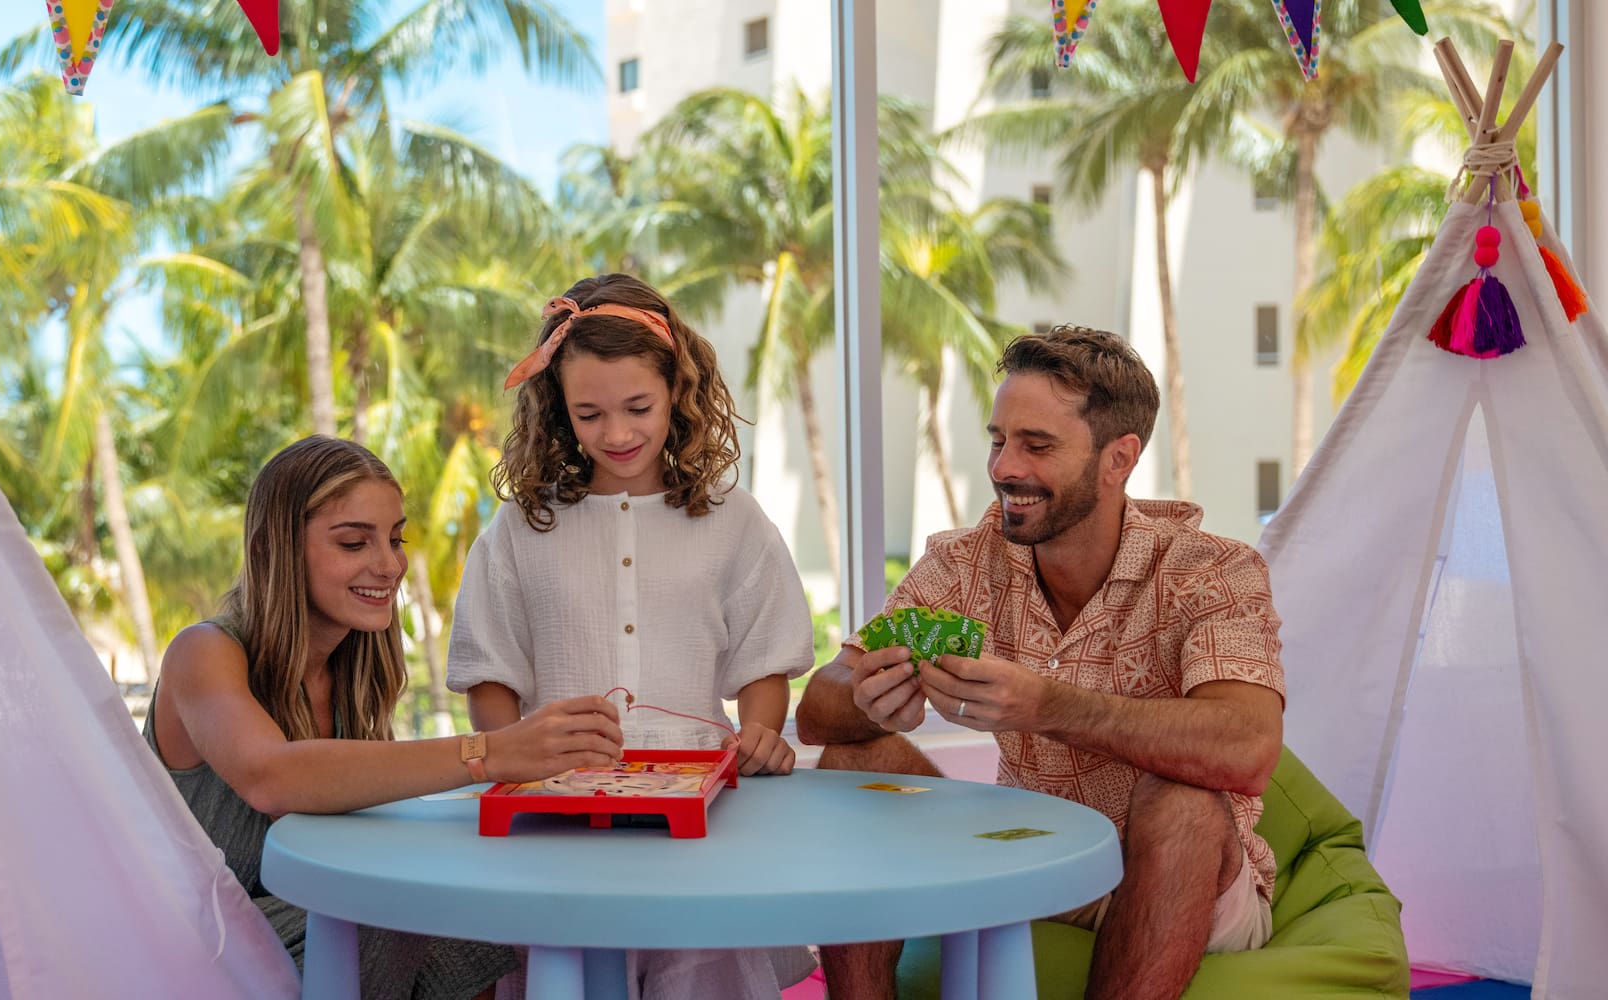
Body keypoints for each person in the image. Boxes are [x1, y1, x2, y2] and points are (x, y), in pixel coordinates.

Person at [796, 326, 1286, 1000]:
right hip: (1025, 856)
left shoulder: (1213, 571)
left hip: (1179, 876)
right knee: (856, 760)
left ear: (1118, 459)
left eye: (1038, 445)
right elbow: (818, 709)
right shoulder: (967, 560)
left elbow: (1249, 749)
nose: (1004, 468)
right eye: (999, 440)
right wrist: (866, 695)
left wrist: (1049, 706)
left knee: (1183, 801)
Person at [144, 435, 625, 1000]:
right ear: (274, 548)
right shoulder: (204, 653)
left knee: (460, 924)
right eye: (354, 543)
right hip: (192, 946)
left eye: (395, 538)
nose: (389, 564)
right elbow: (271, 777)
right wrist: (486, 752)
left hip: (289, 921)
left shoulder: (355, 667)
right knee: (388, 913)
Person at [446, 274, 818, 997]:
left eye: (637, 407)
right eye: (589, 414)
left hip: (700, 833)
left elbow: (763, 661)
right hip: (556, 833)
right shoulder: (521, 528)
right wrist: (507, 767)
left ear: (677, 389)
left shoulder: (733, 519)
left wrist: (763, 734)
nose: (616, 434)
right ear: (558, 408)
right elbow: (491, 673)